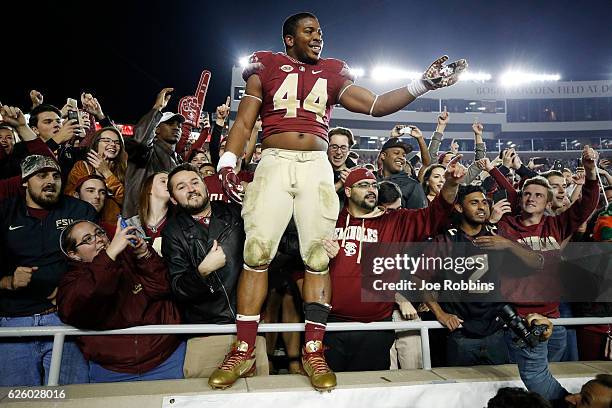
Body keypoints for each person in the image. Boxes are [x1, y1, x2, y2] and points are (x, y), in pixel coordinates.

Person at [211, 11, 466, 391]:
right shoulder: (264, 64)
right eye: (309, 31)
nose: (318, 37)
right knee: (257, 251)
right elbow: (245, 121)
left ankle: (314, 349)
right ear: (289, 38)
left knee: (317, 257)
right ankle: (244, 346)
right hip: (274, 161)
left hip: (315, 164)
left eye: (320, 31)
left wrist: (422, 84)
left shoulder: (333, 71)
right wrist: (228, 161)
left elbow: (376, 104)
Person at [324, 160, 464, 373]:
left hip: (376, 325)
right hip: (330, 324)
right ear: (349, 191)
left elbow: (434, 216)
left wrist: (451, 184)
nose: (371, 190)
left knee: (371, 393)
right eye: (363, 185)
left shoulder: (395, 221)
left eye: (373, 185)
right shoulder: (329, 220)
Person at [0, 106, 97, 386]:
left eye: (55, 176)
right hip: (15, 322)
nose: (51, 181)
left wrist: (71, 286)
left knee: (69, 399)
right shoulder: (6, 212)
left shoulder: (79, 210)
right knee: (19, 401)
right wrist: (7, 281)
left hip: (64, 318)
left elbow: (98, 259)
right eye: (42, 176)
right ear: (25, 182)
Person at [494, 146, 600, 399]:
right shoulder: (506, 226)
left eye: (539, 195)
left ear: (549, 201)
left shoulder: (557, 225)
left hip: (555, 320)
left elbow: (587, 203)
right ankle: (570, 404)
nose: (531, 198)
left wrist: (589, 169)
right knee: (535, 380)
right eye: (527, 193)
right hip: (521, 322)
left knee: (543, 381)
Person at [162, 163, 269, 378]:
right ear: (173, 199)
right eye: (181, 187)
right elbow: (178, 289)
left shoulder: (236, 214)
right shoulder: (173, 232)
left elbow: (273, 245)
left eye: (195, 182)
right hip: (205, 334)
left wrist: (317, 246)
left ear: (206, 186)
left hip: (247, 328)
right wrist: (203, 270)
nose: (191, 189)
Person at [57, 220, 184, 383]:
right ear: (73, 254)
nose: (99, 239)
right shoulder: (71, 280)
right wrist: (109, 256)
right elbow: (84, 302)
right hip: (113, 369)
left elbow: (164, 288)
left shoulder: (129, 256)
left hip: (165, 358)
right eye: (88, 239)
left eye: (100, 233)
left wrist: (143, 255)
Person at [122, 88, 185, 218]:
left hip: (168, 224)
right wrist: (157, 108)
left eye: (179, 125)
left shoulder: (179, 161)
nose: (176, 127)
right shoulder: (147, 152)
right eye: (169, 123)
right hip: (140, 221)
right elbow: (140, 141)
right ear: (155, 129)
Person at [65, 127, 126, 224]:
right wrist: (98, 176)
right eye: (106, 140)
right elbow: (70, 198)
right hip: (85, 223)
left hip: (114, 226)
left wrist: (106, 172)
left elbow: (127, 202)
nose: (113, 144)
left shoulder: (125, 170)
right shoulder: (82, 167)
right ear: (96, 144)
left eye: (117, 142)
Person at [378, 132, 427, 209]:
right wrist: (392, 138)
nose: (401, 157)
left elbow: (417, 217)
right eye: (396, 153)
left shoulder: (412, 185)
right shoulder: (371, 179)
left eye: (404, 155)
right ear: (383, 156)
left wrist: (420, 138)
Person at [126, 172, 171, 255]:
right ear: (149, 189)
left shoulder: (180, 223)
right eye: (163, 181)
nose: (169, 184)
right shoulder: (130, 225)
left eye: (171, 182)